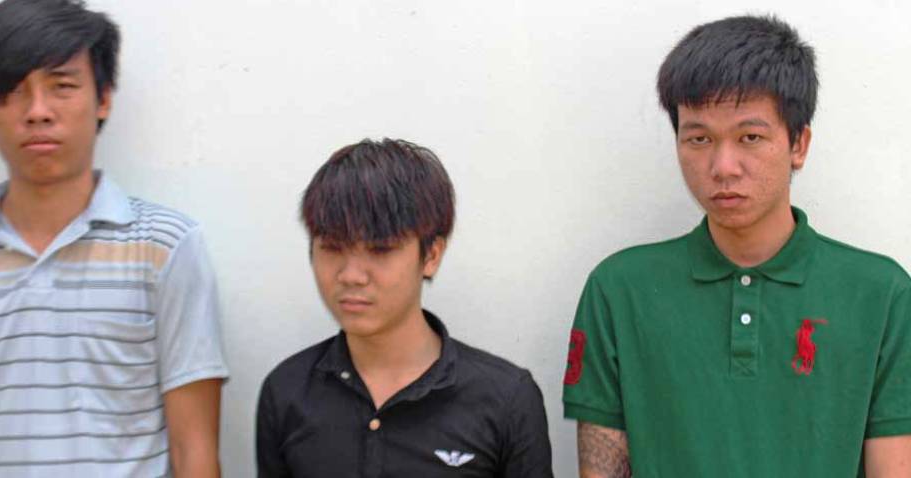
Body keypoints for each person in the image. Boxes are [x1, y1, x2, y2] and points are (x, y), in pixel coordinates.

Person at [0, 1, 228, 476]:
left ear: (103, 98)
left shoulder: (166, 247)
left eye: (62, 86)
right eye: (13, 91)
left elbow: (195, 452)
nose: (38, 112)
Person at [562, 15, 911, 477]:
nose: (723, 166)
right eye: (699, 138)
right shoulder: (619, 290)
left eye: (750, 137)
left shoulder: (882, 295)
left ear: (799, 143)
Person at [256, 138, 553, 477]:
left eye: (380, 249)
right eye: (332, 247)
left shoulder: (506, 399)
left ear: (431, 255)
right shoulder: (286, 391)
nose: (351, 275)